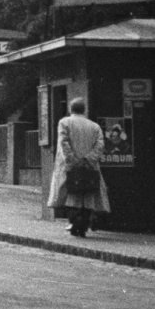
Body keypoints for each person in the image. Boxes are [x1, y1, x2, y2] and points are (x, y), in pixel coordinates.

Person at [48, 97, 111, 238]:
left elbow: (64, 143)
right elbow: (100, 146)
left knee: (72, 194)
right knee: (88, 194)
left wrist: (73, 160)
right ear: (84, 110)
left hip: (71, 167)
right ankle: (83, 225)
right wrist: (88, 159)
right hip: (90, 167)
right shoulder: (95, 126)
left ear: (71, 109)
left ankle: (75, 223)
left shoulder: (64, 122)